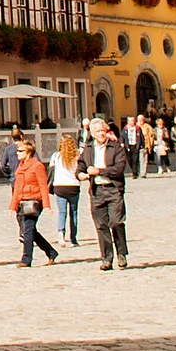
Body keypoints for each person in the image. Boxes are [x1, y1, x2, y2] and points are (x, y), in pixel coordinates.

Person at [83, 116, 132, 272]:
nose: (101, 134)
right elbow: (80, 165)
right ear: (92, 133)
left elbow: (119, 169)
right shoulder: (88, 149)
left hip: (113, 189)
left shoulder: (115, 148)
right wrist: (80, 174)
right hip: (97, 191)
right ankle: (107, 258)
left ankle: (122, 254)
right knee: (101, 226)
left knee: (116, 222)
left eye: (103, 131)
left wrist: (99, 171)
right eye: (97, 131)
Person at [9, 134, 60, 267]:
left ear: (29, 152)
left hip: (35, 202)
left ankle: (26, 259)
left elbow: (43, 185)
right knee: (30, 231)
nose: (18, 153)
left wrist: (47, 204)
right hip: (23, 202)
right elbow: (17, 188)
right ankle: (51, 252)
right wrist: (12, 206)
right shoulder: (20, 167)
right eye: (17, 151)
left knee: (27, 230)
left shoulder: (37, 166)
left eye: (21, 151)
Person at [48, 135, 84, 245]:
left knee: (62, 212)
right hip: (73, 186)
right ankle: (73, 239)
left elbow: (50, 170)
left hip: (60, 187)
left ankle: (61, 233)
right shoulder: (77, 156)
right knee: (73, 212)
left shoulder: (56, 156)